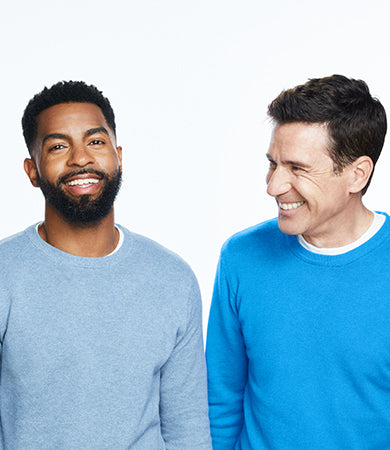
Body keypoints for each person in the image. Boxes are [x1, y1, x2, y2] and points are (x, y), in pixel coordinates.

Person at [0, 81, 211, 449]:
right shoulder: (5, 274)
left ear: (119, 156)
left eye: (96, 142)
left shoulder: (172, 278)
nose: (81, 158)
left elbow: (187, 428)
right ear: (32, 171)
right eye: (58, 146)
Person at [206, 74, 390, 448]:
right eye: (273, 164)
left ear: (358, 174)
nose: (273, 186)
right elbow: (219, 401)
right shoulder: (241, 258)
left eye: (297, 168)